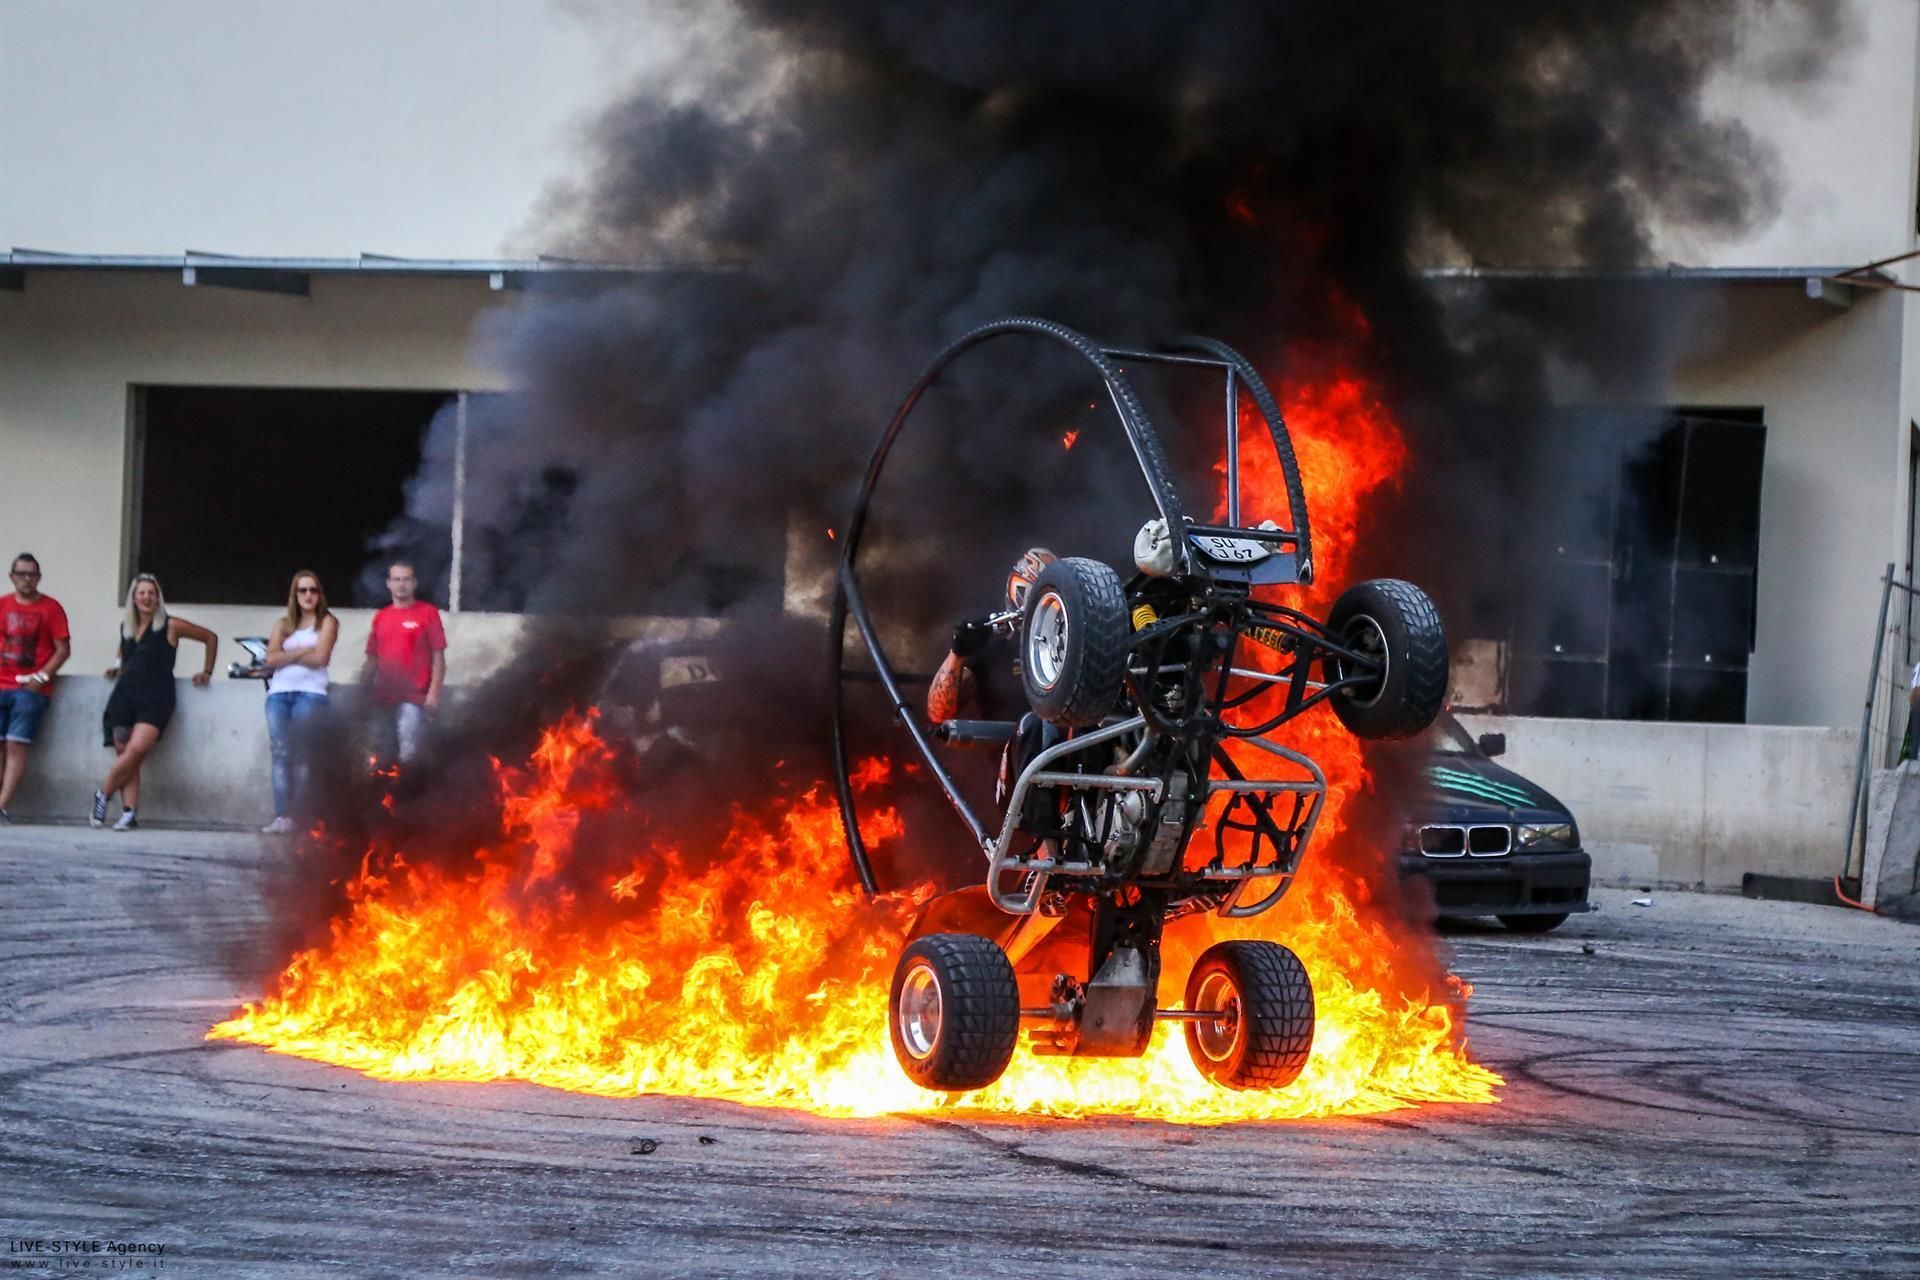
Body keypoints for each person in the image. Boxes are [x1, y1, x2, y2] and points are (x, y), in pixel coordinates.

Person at [92, 574, 218, 830]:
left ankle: (103, 793)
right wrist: (118, 666)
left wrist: (207, 671)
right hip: (124, 695)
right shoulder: (126, 626)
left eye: (151, 593)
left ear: (158, 597)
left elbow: (210, 637)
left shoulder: (170, 625)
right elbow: (125, 650)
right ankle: (129, 813)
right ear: (134, 598)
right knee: (125, 752)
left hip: (157, 695)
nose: (147, 597)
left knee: (137, 749)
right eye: (142, 593)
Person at [260, 570, 338, 834]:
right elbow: (270, 660)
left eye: (313, 590)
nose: (308, 595)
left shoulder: (327, 622)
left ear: (320, 594)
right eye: (303, 590)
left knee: (306, 759)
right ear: (295, 594)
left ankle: (305, 819)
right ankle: (283, 817)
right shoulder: (283, 624)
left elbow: (321, 659)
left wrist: (286, 654)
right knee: (281, 755)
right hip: (279, 696)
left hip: (311, 695)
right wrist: (304, 650)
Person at [0, 553, 71, 822]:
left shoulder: (51, 608)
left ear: (39, 577)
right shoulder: (2, 605)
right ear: (12, 577)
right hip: (1, 683)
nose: (26, 579)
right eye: (21, 574)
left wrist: (41, 677)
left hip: (31, 690)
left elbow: (63, 649)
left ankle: (2, 806)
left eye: (31, 574)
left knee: (16, 745)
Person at [361, 561, 445, 766]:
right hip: (383, 699)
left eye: (406, 579)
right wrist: (362, 693)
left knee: (409, 755)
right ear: (388, 584)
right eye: (396, 579)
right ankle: (385, 797)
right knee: (383, 756)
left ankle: (409, 797)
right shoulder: (381, 617)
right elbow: (372, 660)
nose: (401, 584)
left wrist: (433, 694)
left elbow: (439, 658)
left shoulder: (428, 613)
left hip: (414, 700)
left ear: (414, 583)